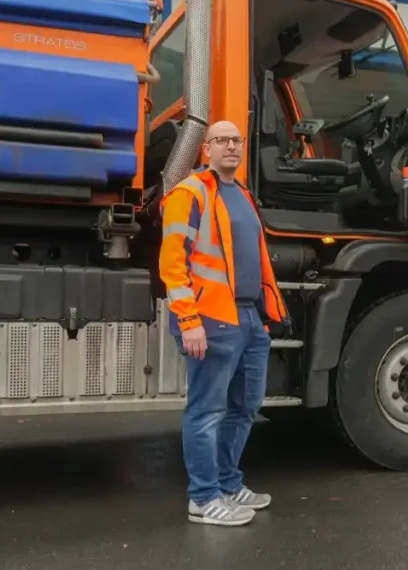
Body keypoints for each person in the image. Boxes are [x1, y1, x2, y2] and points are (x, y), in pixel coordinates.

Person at [158, 119, 290, 527]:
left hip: (249, 317)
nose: (231, 146)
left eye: (236, 140)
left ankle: (229, 485)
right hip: (212, 318)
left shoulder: (243, 196)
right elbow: (172, 263)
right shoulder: (190, 193)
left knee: (245, 407)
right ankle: (203, 497)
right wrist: (189, 319)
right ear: (206, 149)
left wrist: (267, 316)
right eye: (221, 140)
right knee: (207, 410)